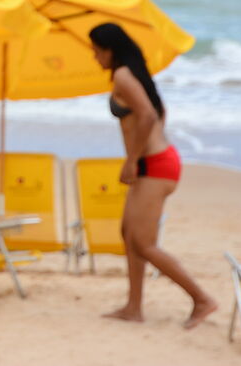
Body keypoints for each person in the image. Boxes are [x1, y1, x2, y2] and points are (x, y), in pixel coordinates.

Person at [88, 22, 217, 329]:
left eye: (96, 50)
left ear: (110, 49)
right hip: (155, 161)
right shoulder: (134, 74)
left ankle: (202, 299)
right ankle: (134, 307)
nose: (94, 57)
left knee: (144, 243)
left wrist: (132, 159)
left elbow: (147, 115)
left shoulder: (123, 75)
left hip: (155, 165)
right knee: (129, 235)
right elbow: (159, 111)